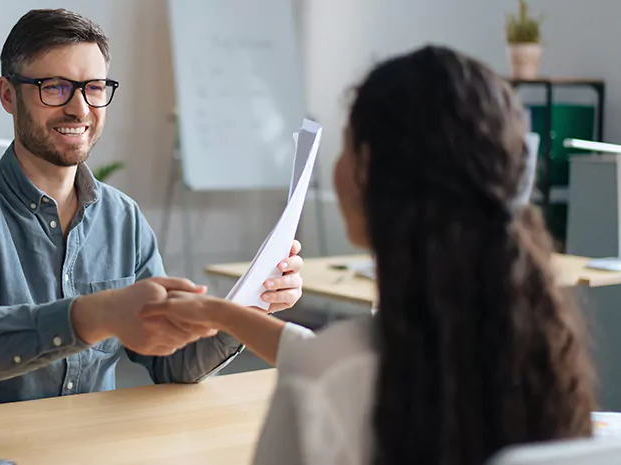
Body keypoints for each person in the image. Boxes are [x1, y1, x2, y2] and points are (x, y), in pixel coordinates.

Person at [141, 45, 596, 465]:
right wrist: (221, 312)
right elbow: (317, 352)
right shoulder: (545, 351)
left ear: (367, 169)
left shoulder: (326, 381)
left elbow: (330, 363)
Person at [0, 8, 305, 414]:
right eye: (55, 87)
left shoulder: (123, 218)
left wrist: (250, 306)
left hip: (83, 443)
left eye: (94, 88)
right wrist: (95, 315)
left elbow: (172, 363)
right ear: (9, 95)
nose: (80, 109)